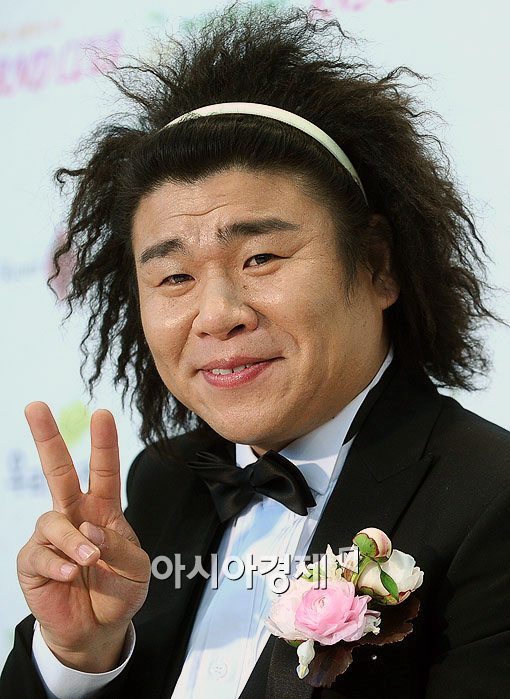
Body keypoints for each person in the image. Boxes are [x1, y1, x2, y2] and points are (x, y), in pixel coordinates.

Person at [1, 5, 509, 698]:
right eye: (174, 277)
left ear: (378, 264)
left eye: (261, 257)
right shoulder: (160, 484)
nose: (217, 315)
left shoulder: (493, 499)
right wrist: (79, 656)